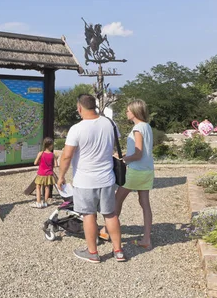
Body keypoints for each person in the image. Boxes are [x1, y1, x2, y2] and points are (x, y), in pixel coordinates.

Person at [57, 94, 126, 263]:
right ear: (94, 106)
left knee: (89, 215)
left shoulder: (77, 129)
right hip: (107, 178)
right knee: (110, 215)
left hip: (85, 180)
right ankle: (118, 251)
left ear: (79, 108)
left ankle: (93, 252)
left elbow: (66, 156)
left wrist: (61, 176)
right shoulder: (110, 124)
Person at [101, 99, 155, 249]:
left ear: (135, 112)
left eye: (128, 110)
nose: (126, 112)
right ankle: (146, 239)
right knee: (145, 204)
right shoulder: (147, 127)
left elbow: (138, 154)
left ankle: (106, 231)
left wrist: (125, 158)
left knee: (116, 200)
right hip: (147, 170)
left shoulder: (137, 129)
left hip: (136, 170)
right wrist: (128, 154)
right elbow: (142, 150)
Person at [30, 137, 57, 208]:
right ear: (50, 145)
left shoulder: (40, 153)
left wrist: (40, 162)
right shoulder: (52, 154)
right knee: (47, 187)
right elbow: (56, 165)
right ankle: (45, 202)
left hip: (41, 173)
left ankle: (38, 202)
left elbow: (35, 162)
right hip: (49, 174)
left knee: (38, 187)